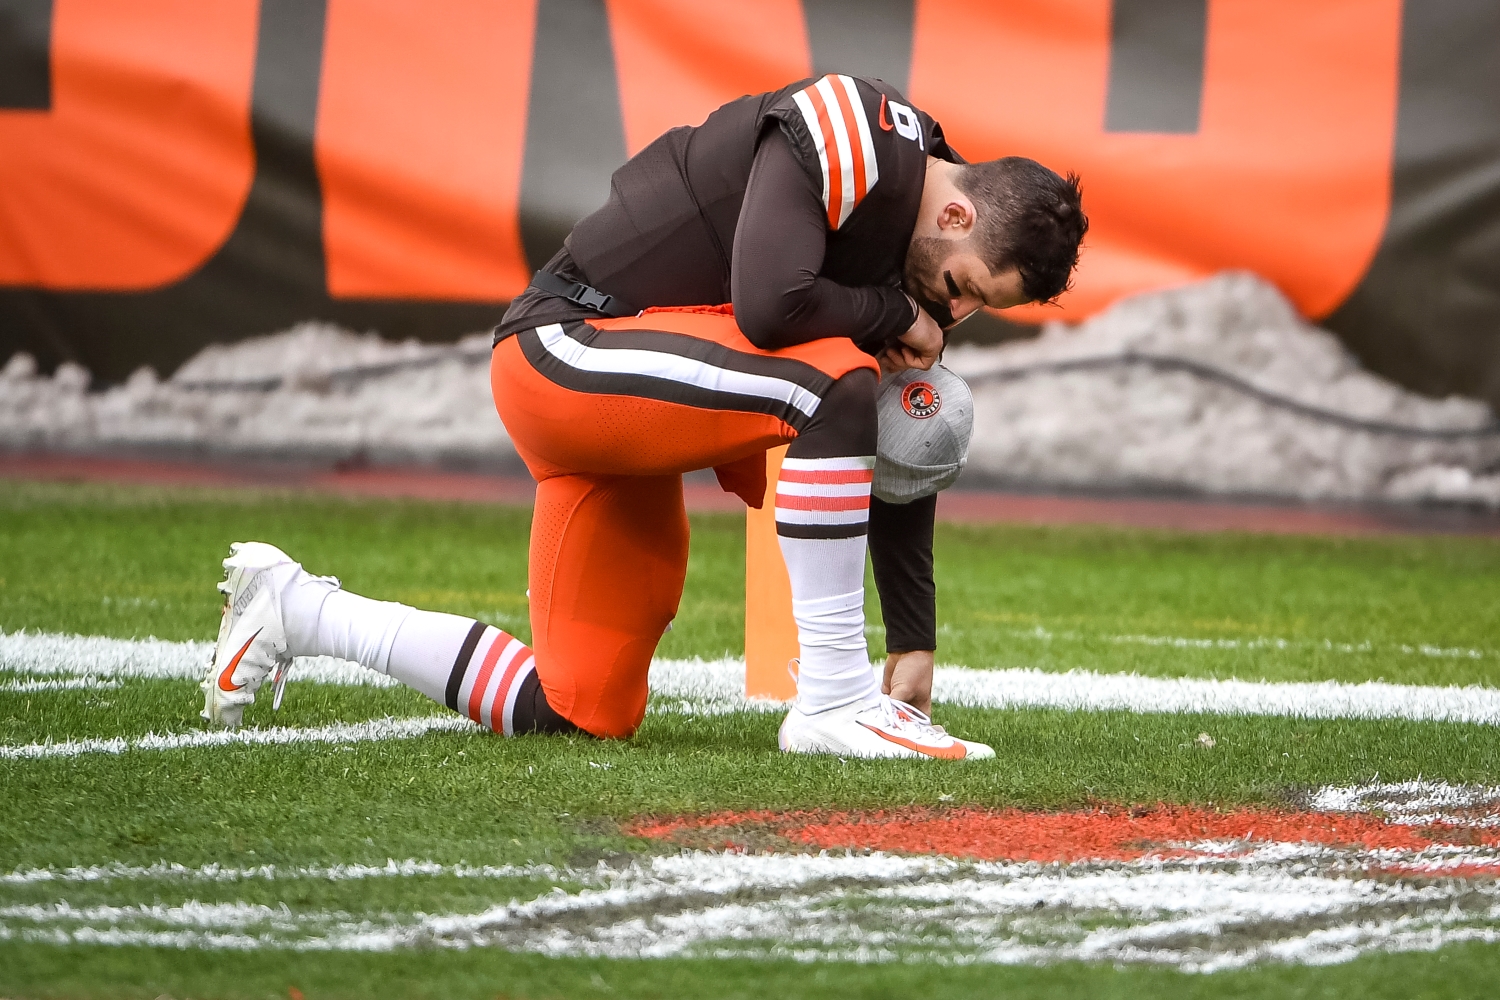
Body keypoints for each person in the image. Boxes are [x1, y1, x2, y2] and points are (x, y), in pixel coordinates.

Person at [200, 74, 1086, 760]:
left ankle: (298, 610)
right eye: (962, 288)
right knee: (834, 382)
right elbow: (773, 308)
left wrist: (915, 634)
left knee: (577, 708)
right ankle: (830, 696)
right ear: (958, 211)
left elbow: (901, 440)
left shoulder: (920, 244)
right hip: (567, 348)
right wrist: (895, 316)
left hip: (625, 414)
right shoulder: (854, 130)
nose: (951, 313)